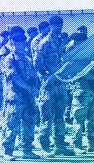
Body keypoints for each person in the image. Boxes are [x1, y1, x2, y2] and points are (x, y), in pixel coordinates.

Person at [33, 15, 75, 157]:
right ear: (51, 26)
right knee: (46, 115)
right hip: (49, 84)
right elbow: (37, 64)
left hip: (60, 84)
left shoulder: (61, 42)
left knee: (60, 115)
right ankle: (45, 147)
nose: (59, 27)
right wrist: (47, 76)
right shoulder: (44, 42)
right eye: (56, 25)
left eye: (61, 25)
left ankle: (60, 145)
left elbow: (64, 59)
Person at [1, 26, 40, 160]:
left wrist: (35, 89)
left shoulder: (28, 59)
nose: (22, 44)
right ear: (12, 43)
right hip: (15, 97)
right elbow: (14, 77)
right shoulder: (9, 59)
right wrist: (28, 89)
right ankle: (7, 151)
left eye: (23, 42)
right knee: (12, 124)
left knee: (29, 123)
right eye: (18, 42)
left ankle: (27, 150)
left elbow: (35, 76)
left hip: (28, 97)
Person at [71, 68, 94, 154]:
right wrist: (93, 77)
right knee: (79, 120)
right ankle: (77, 144)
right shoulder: (80, 57)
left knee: (92, 120)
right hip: (82, 93)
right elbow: (79, 71)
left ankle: (92, 143)